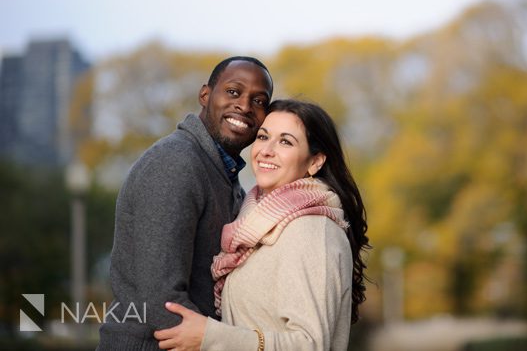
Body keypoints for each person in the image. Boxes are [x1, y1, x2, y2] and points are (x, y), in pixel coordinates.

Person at [154, 99, 370, 351]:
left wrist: (210, 337)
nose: (266, 150)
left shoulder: (312, 231)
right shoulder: (253, 225)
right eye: (263, 136)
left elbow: (310, 344)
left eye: (286, 141)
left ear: (315, 162)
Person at [97, 57, 274, 350]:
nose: (244, 106)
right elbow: (162, 299)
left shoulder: (225, 175)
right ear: (205, 95)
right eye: (233, 92)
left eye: (258, 101)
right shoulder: (176, 162)